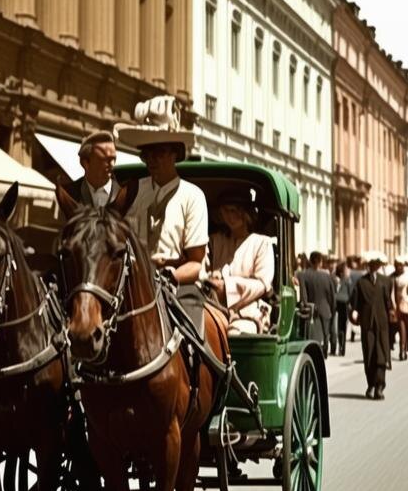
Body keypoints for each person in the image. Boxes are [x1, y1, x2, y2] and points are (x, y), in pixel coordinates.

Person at [118, 97, 207, 334]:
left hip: (179, 288)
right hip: (135, 284)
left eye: (158, 152)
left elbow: (197, 263)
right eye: (146, 154)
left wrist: (171, 274)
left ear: (174, 154)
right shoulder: (134, 191)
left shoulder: (192, 196)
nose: (151, 160)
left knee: (191, 339)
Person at [208, 192, 274, 334]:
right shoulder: (215, 241)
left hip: (248, 311)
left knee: (234, 334)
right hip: (213, 308)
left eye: (234, 211)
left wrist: (227, 287)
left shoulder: (262, 243)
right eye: (225, 211)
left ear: (245, 212)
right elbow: (202, 268)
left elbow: (262, 284)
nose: (230, 216)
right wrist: (210, 277)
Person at [350, 251, 393, 400]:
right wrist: (354, 312)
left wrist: (392, 313)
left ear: (380, 265)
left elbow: (389, 302)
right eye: (372, 264)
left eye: (377, 264)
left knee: (381, 355)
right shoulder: (361, 282)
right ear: (369, 265)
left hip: (382, 324)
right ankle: (371, 385)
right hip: (367, 324)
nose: (374, 267)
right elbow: (354, 302)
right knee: (369, 355)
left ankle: (380, 387)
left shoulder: (386, 281)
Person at [65, 130, 121, 207]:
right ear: (85, 163)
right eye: (104, 160)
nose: (112, 164)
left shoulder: (127, 196)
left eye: (113, 159)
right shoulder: (67, 194)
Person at [298, 252, 336, 358]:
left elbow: (303, 296)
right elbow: (332, 296)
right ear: (320, 262)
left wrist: (305, 306)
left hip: (311, 309)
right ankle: (325, 350)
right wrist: (332, 309)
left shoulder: (303, 275)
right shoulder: (327, 276)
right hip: (326, 309)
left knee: (312, 334)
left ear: (310, 261)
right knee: (325, 332)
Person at [393, 256, 408, 361]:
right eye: (396, 265)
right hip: (396, 307)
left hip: (406, 306)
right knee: (402, 329)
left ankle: (405, 346)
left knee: (407, 329)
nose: (398, 267)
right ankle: (402, 350)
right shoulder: (392, 277)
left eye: (400, 265)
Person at [334, 261, 352, 356]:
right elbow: (350, 293)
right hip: (344, 304)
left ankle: (339, 346)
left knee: (338, 326)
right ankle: (342, 348)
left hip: (336, 304)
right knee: (343, 327)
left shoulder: (335, 279)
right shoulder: (347, 280)